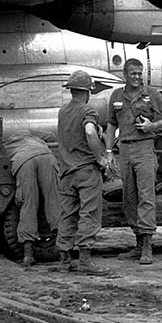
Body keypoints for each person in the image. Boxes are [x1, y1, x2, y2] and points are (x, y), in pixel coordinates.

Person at [104, 58, 162, 265]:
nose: (137, 77)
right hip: (125, 150)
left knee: (146, 196)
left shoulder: (151, 94)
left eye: (140, 73)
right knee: (129, 197)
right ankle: (138, 243)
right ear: (125, 75)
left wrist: (152, 126)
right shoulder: (116, 96)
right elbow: (111, 124)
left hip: (145, 147)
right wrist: (109, 152)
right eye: (133, 73)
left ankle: (147, 246)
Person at [54, 71, 114, 274]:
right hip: (86, 172)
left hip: (66, 172)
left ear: (71, 90)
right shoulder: (88, 111)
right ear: (88, 91)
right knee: (89, 213)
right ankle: (85, 261)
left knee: (67, 215)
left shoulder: (63, 111)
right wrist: (100, 158)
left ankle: (64, 260)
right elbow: (89, 131)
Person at [2, 132, 64, 268]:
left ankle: (28, 255)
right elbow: (53, 137)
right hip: (46, 156)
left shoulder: (5, 142)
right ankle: (64, 253)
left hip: (24, 161)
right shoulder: (33, 134)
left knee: (28, 205)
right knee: (54, 203)